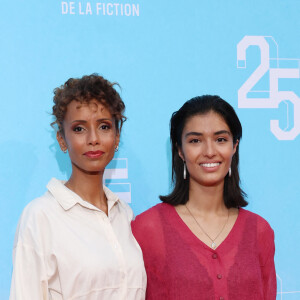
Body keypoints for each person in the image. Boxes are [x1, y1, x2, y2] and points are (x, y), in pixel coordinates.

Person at [10, 74, 146, 300]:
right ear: (62, 140)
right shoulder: (41, 216)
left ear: (117, 136)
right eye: (79, 129)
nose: (93, 139)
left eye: (104, 126)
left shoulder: (123, 214)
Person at [132, 95, 276, 300]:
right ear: (180, 150)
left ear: (234, 146)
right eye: (195, 141)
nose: (209, 151)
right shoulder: (147, 229)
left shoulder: (259, 231)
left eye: (220, 139)